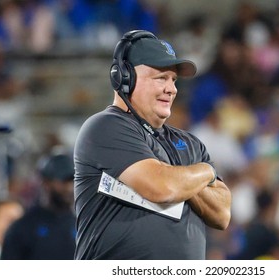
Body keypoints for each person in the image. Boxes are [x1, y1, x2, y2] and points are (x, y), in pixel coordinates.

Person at [73, 30, 232, 260]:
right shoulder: (105, 127)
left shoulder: (190, 143)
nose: (172, 89)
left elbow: (222, 213)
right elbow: (162, 188)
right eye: (161, 78)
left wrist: (177, 178)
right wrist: (206, 171)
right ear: (124, 77)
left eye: (174, 80)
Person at [0, 150, 76, 260]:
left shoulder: (81, 225)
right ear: (46, 183)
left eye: (73, 180)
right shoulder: (23, 228)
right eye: (63, 181)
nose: (69, 188)